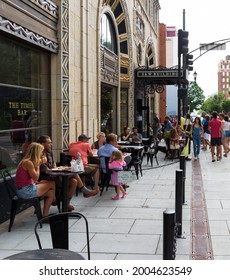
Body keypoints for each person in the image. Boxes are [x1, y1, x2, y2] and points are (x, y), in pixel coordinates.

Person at [37, 135, 99, 212]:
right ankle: (85, 192)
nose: (51, 144)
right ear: (42, 144)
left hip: (55, 175)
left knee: (74, 181)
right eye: (49, 143)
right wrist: (57, 170)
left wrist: (60, 168)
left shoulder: (50, 152)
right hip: (47, 178)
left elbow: (53, 165)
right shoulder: (39, 154)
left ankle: (66, 204)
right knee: (74, 173)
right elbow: (45, 170)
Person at [15, 142, 55, 218]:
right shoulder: (28, 162)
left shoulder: (27, 161)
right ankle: (54, 200)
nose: (42, 154)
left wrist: (37, 183)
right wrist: (38, 165)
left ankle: (45, 216)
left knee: (50, 192)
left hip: (25, 188)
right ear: (36, 152)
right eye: (41, 152)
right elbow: (36, 177)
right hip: (25, 191)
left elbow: (29, 178)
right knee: (52, 183)